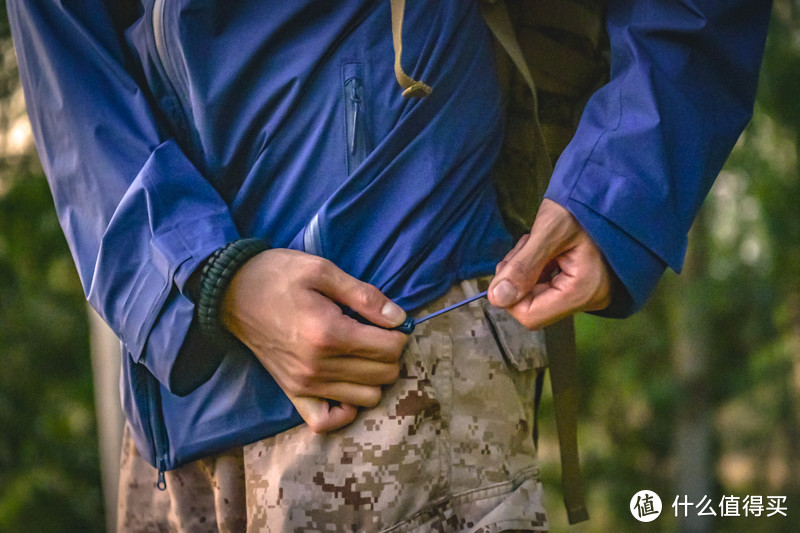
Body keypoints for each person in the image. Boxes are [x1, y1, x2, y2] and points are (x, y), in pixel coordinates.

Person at [8, 0, 771, 531]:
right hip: (170, 393)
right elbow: (61, 44)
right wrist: (202, 273)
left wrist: (620, 189)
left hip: (398, 337)